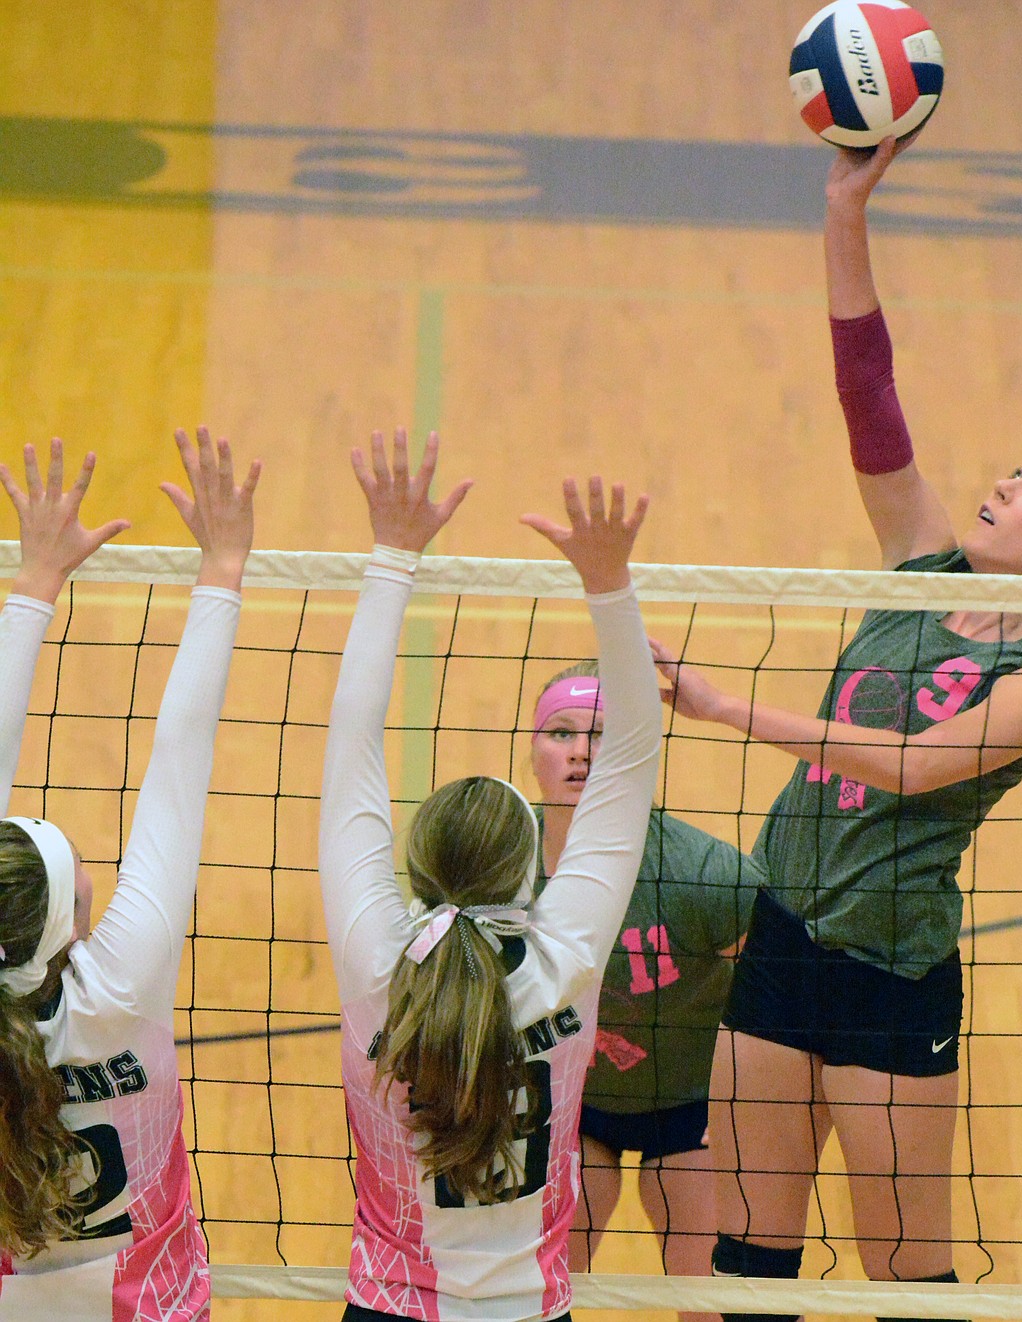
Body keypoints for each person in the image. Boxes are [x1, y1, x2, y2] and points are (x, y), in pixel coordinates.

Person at [650, 138, 1022, 1322]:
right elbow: (865, 390)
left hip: (891, 972)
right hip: (783, 930)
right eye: (1020, 468)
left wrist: (732, 706)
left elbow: (905, 764)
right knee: (749, 1251)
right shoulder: (918, 566)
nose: (1009, 484)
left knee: (904, 1273)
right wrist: (844, 209)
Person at [318, 427, 660, 1322]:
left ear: (416, 869)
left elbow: (350, 746)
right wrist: (609, 584)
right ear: (529, 878)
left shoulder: (377, 966)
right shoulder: (565, 958)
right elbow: (632, 756)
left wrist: (393, 556)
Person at [0, 430, 260, 1321]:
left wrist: (35, 581)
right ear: (74, 917)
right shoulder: (124, 981)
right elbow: (179, 766)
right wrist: (222, 567)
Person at [529, 658, 762, 1322]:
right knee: (541, 1293)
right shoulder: (502, 865)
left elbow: (779, 990)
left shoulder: (702, 876)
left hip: (691, 1112)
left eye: (601, 735)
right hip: (569, 1110)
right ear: (533, 750)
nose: (579, 752)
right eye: (561, 733)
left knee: (706, 1302)